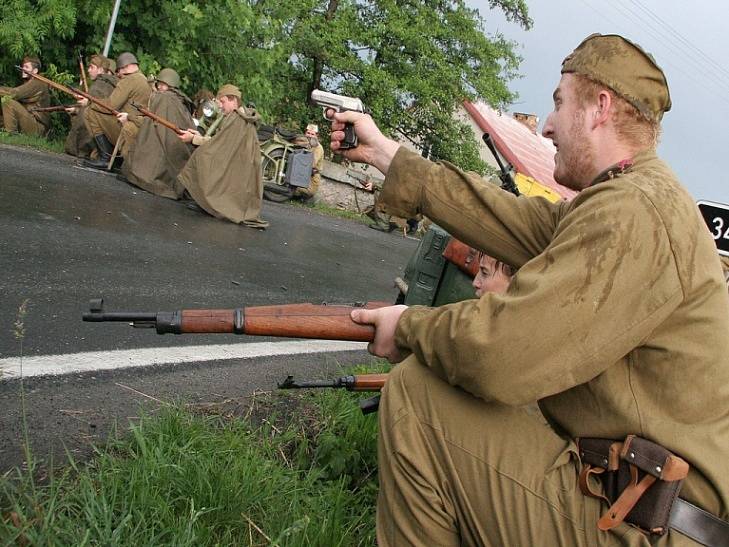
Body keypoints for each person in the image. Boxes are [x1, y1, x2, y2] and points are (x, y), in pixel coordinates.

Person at [330, 34, 729, 545]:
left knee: (416, 395)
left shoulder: (635, 213)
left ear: (599, 108)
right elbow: (509, 219)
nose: (545, 124)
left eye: (559, 103)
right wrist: (387, 154)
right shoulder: (637, 197)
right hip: (644, 508)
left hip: (647, 529)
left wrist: (409, 326)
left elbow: (499, 354)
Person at [177, 85, 268, 228]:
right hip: (237, 163)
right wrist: (197, 136)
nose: (220, 105)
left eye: (223, 101)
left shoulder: (237, 119)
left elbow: (217, 145)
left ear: (233, 100)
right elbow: (219, 141)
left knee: (203, 156)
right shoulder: (236, 117)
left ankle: (207, 202)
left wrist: (194, 139)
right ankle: (205, 201)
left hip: (239, 165)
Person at [121, 68, 194, 199]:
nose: (159, 86)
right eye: (158, 83)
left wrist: (131, 117)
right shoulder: (181, 102)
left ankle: (139, 175)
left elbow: (151, 124)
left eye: (163, 84)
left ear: (170, 85)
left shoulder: (164, 98)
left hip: (165, 148)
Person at [82, 52, 151, 170]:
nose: (118, 74)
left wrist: (91, 102)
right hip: (138, 128)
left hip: (126, 127)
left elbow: (111, 105)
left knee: (90, 112)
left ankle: (105, 158)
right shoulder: (144, 79)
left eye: (119, 70)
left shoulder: (130, 80)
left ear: (124, 67)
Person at [64, 54, 118, 158]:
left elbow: (92, 111)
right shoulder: (106, 83)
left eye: (92, 67)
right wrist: (77, 109)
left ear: (101, 70)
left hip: (90, 142)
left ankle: (81, 150)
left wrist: (75, 148)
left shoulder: (101, 84)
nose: (88, 70)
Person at [0, 56, 50, 136]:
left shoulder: (38, 83)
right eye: (23, 66)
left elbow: (14, 93)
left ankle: (11, 135)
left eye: (26, 67)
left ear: (35, 71)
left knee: (7, 101)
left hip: (38, 127)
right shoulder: (30, 82)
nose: (23, 69)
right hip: (30, 121)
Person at [292, 123, 325, 201]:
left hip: (311, 179)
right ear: (305, 133)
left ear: (316, 136)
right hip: (300, 175)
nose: (310, 135)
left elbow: (311, 164)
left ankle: (302, 197)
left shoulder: (318, 148)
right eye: (308, 133)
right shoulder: (304, 144)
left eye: (312, 134)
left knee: (293, 189)